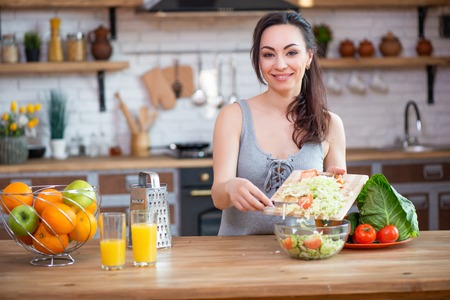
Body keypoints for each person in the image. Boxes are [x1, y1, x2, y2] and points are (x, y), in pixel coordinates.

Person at [211, 11, 346, 236]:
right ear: (258, 60)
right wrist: (229, 187)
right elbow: (218, 197)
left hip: (304, 252)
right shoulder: (233, 116)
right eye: (268, 54)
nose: (280, 64)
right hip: (237, 256)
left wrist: (333, 188)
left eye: (291, 52)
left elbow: (335, 211)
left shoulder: (329, 124)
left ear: (309, 57)